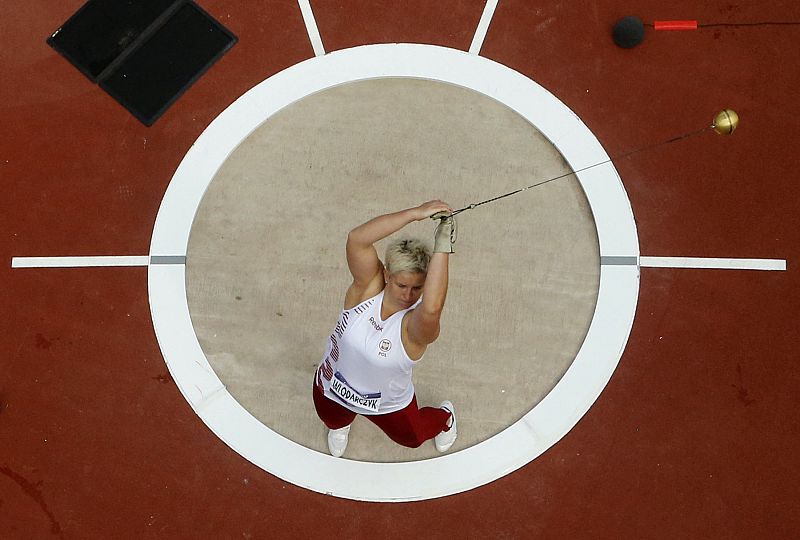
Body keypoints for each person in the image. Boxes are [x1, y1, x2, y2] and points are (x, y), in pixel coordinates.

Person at [312, 200, 458, 458]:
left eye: (417, 288)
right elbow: (357, 239)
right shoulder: (367, 288)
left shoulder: (413, 328)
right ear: (388, 275)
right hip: (333, 385)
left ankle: (445, 417)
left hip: (387, 404)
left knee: (412, 438)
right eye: (402, 285)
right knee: (332, 419)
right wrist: (414, 213)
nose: (408, 295)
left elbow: (432, 309)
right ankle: (341, 425)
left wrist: (442, 245)